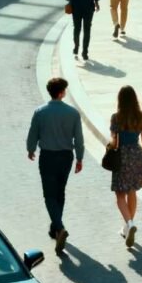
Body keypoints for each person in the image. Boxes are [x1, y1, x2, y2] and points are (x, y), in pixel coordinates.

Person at [26, 78, 84, 254]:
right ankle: (56, 228)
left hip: (48, 157)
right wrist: (79, 158)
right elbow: (79, 140)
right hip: (66, 157)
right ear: (61, 93)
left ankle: (58, 227)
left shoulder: (40, 112)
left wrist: (30, 149)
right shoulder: (73, 113)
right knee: (60, 192)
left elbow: (32, 134)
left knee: (49, 195)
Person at [109, 86, 142, 247]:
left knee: (120, 195)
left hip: (121, 156)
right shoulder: (141, 116)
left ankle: (130, 224)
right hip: (136, 155)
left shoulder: (116, 118)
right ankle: (129, 226)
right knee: (132, 190)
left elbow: (114, 140)